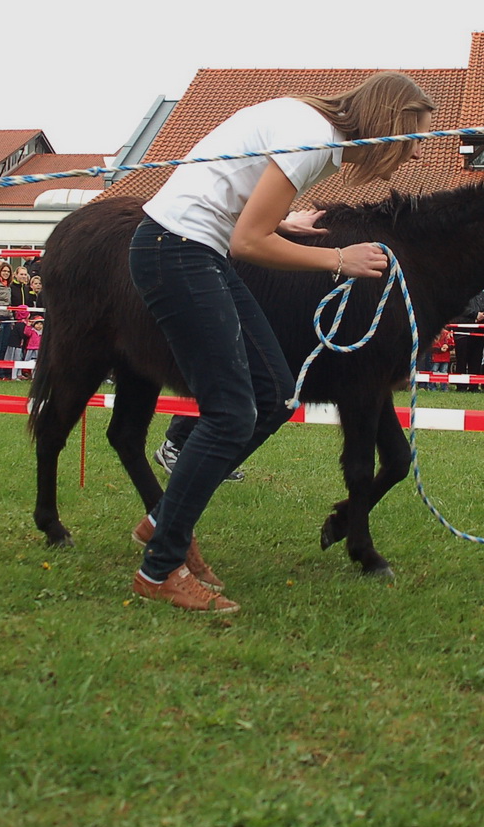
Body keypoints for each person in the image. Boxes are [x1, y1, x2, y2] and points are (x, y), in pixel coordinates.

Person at [129, 72, 434, 613]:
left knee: (272, 394)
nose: (411, 157)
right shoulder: (312, 136)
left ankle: (162, 522)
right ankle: (159, 568)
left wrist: (286, 222)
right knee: (230, 414)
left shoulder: (309, 127)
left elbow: (239, 207)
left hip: (195, 249)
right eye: (411, 141)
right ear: (388, 125)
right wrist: (340, 259)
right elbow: (249, 240)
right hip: (176, 251)